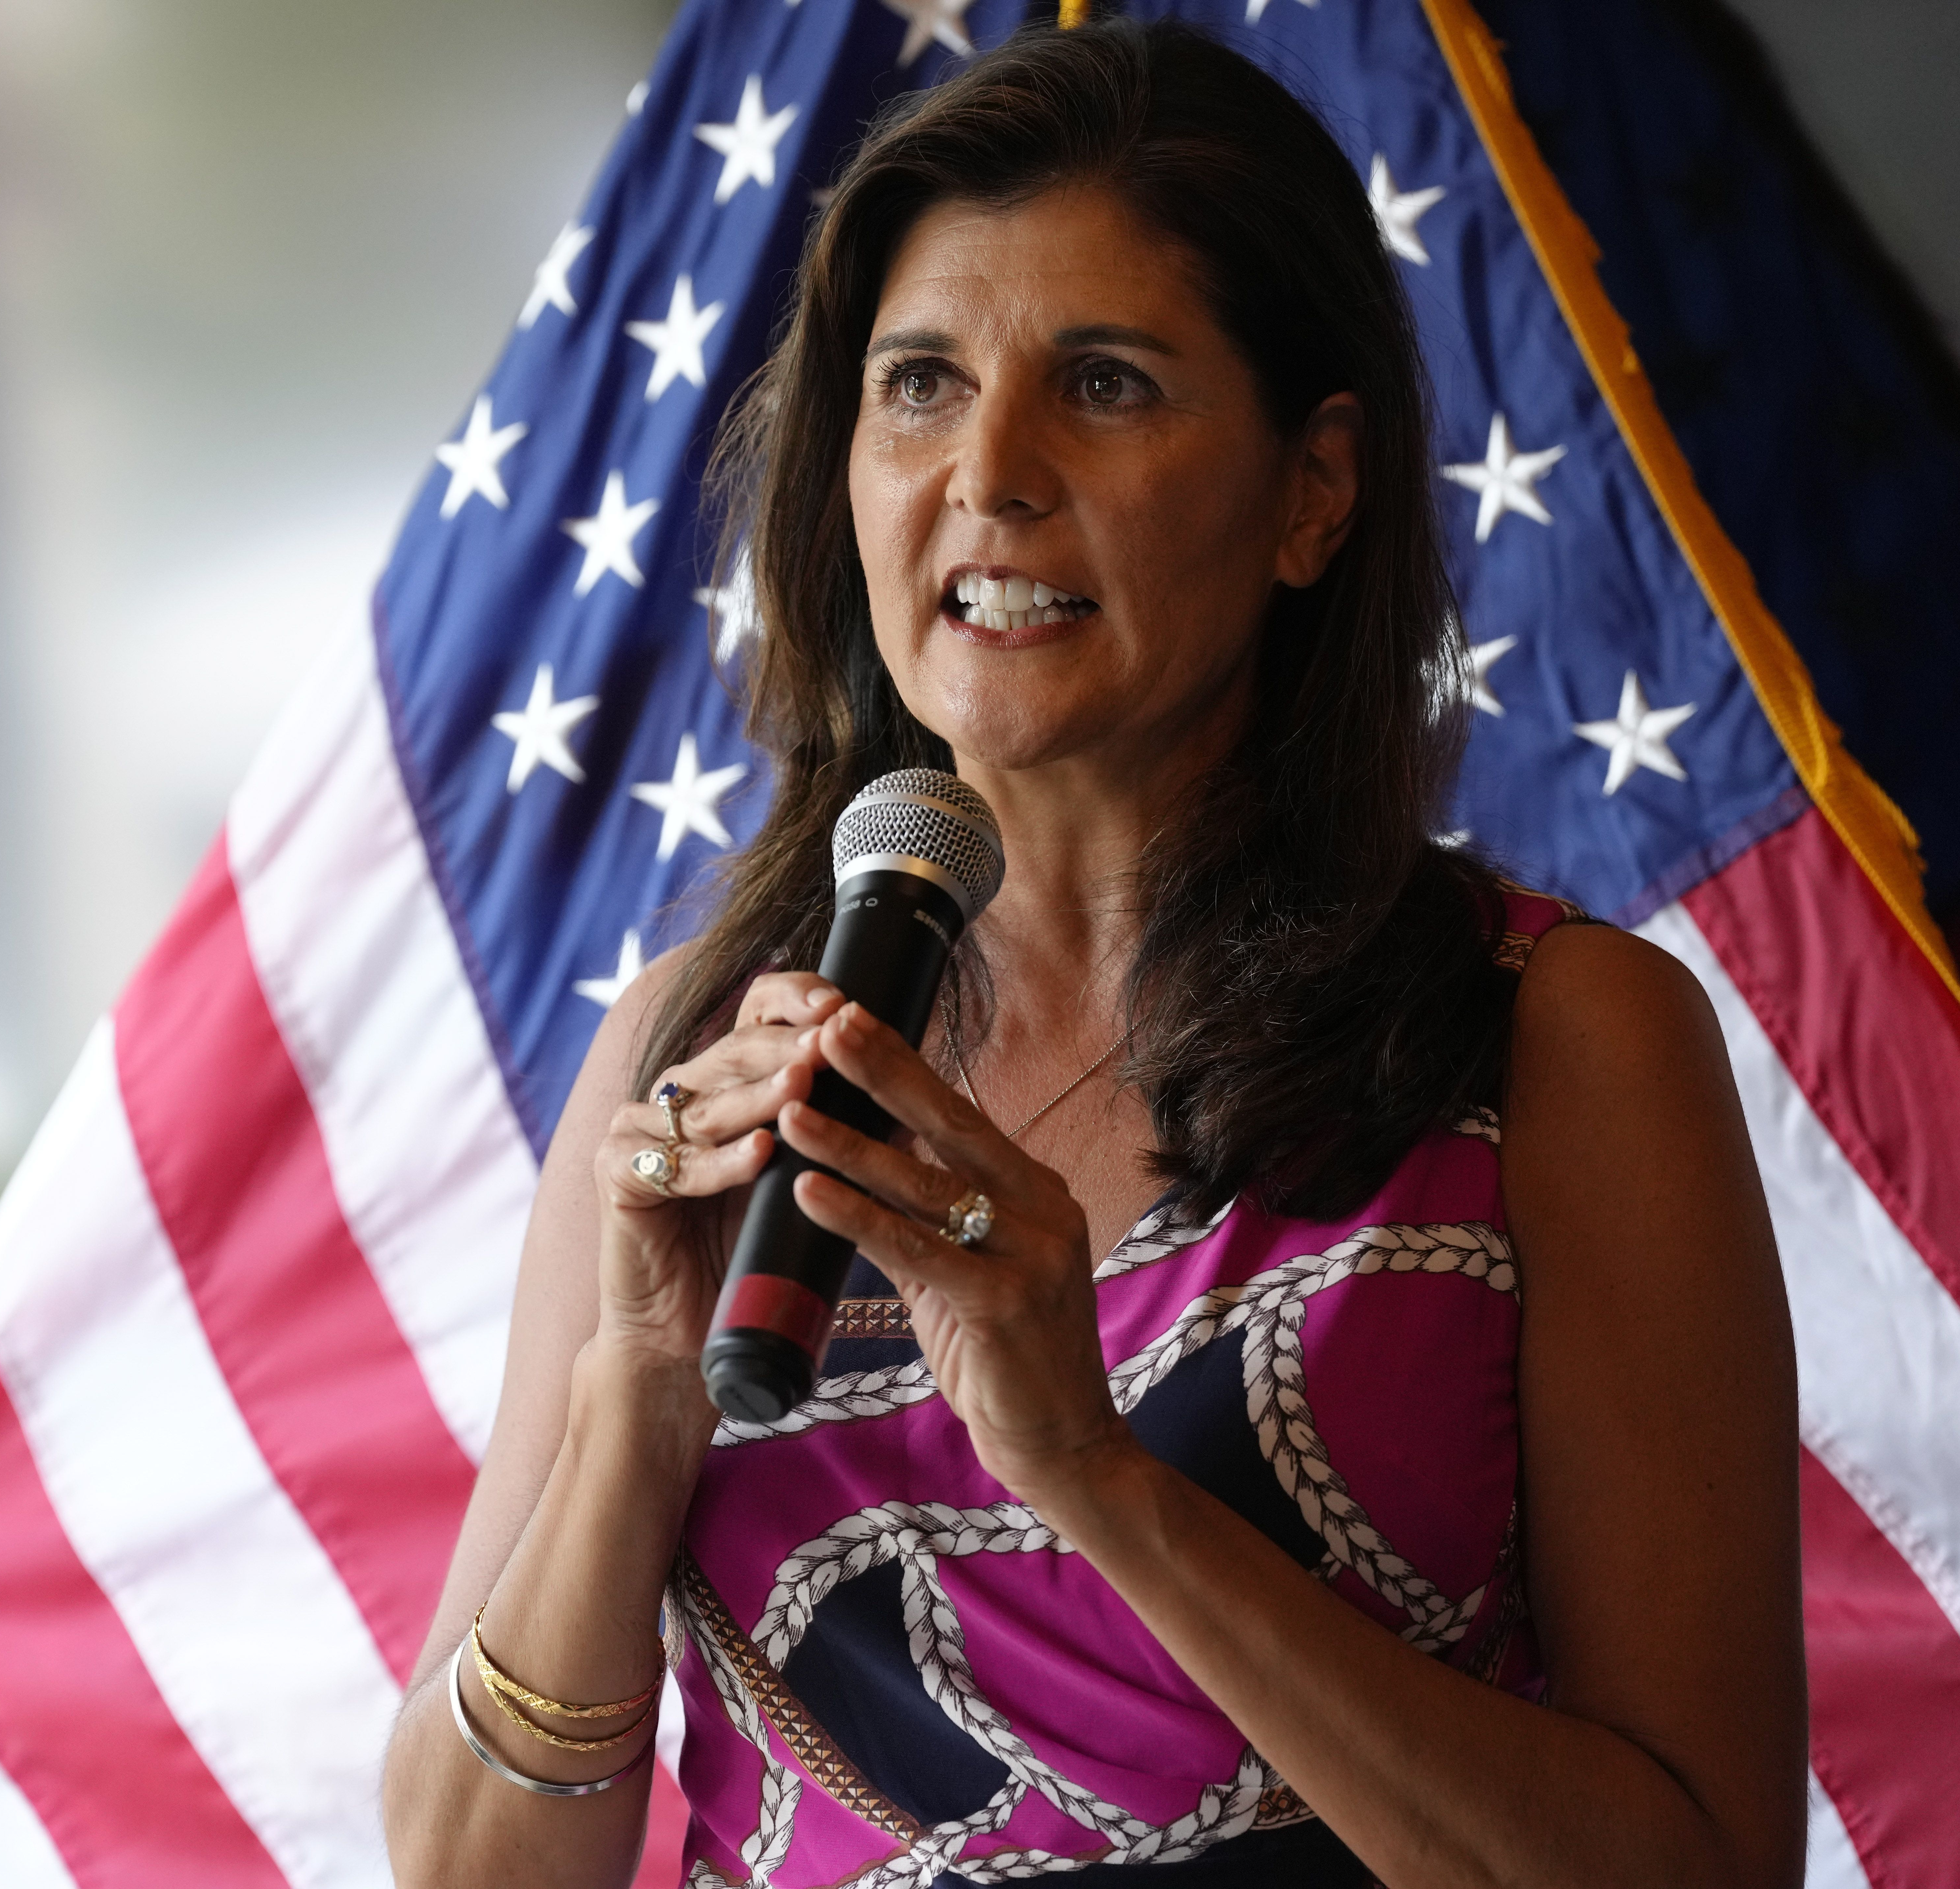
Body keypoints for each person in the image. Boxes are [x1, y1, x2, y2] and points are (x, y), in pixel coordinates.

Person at [382, 20, 1802, 1888]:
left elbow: (1701, 1869)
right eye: (919, 385)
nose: (990, 471)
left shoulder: (1559, 1038)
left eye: (1108, 385)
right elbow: (468, 1871)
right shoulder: (691, 1040)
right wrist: (636, 1396)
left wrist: (1094, 1473)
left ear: (1314, 491)